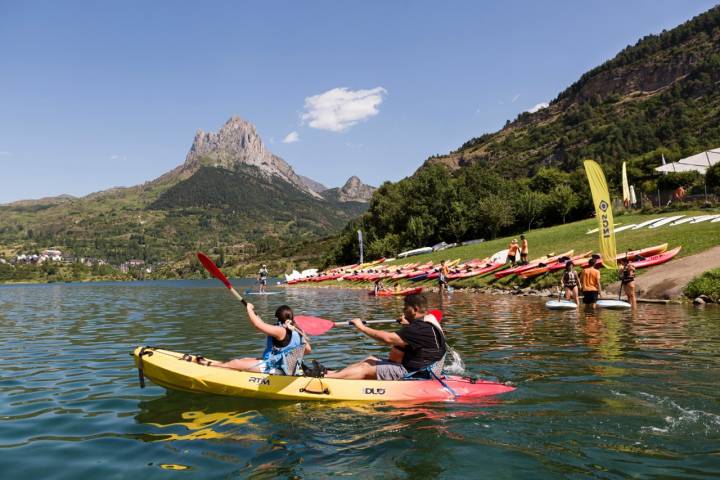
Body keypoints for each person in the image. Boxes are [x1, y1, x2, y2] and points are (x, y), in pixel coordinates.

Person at [325, 293, 446, 380]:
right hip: (419, 368)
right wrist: (408, 323)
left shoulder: (418, 328)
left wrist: (362, 327)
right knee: (371, 358)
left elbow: (387, 338)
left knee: (366, 367)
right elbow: (414, 337)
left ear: (415, 309)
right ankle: (331, 373)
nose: (403, 311)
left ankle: (326, 379)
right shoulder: (426, 323)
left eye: (405, 308)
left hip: (414, 373)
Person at [201, 303, 311, 374]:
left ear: (277, 318)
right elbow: (307, 350)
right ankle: (219, 365)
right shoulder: (297, 331)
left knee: (236, 363)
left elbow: (258, 325)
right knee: (244, 360)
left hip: (278, 369)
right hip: (285, 366)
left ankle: (210, 366)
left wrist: (249, 308)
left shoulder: (280, 330)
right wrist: (288, 354)